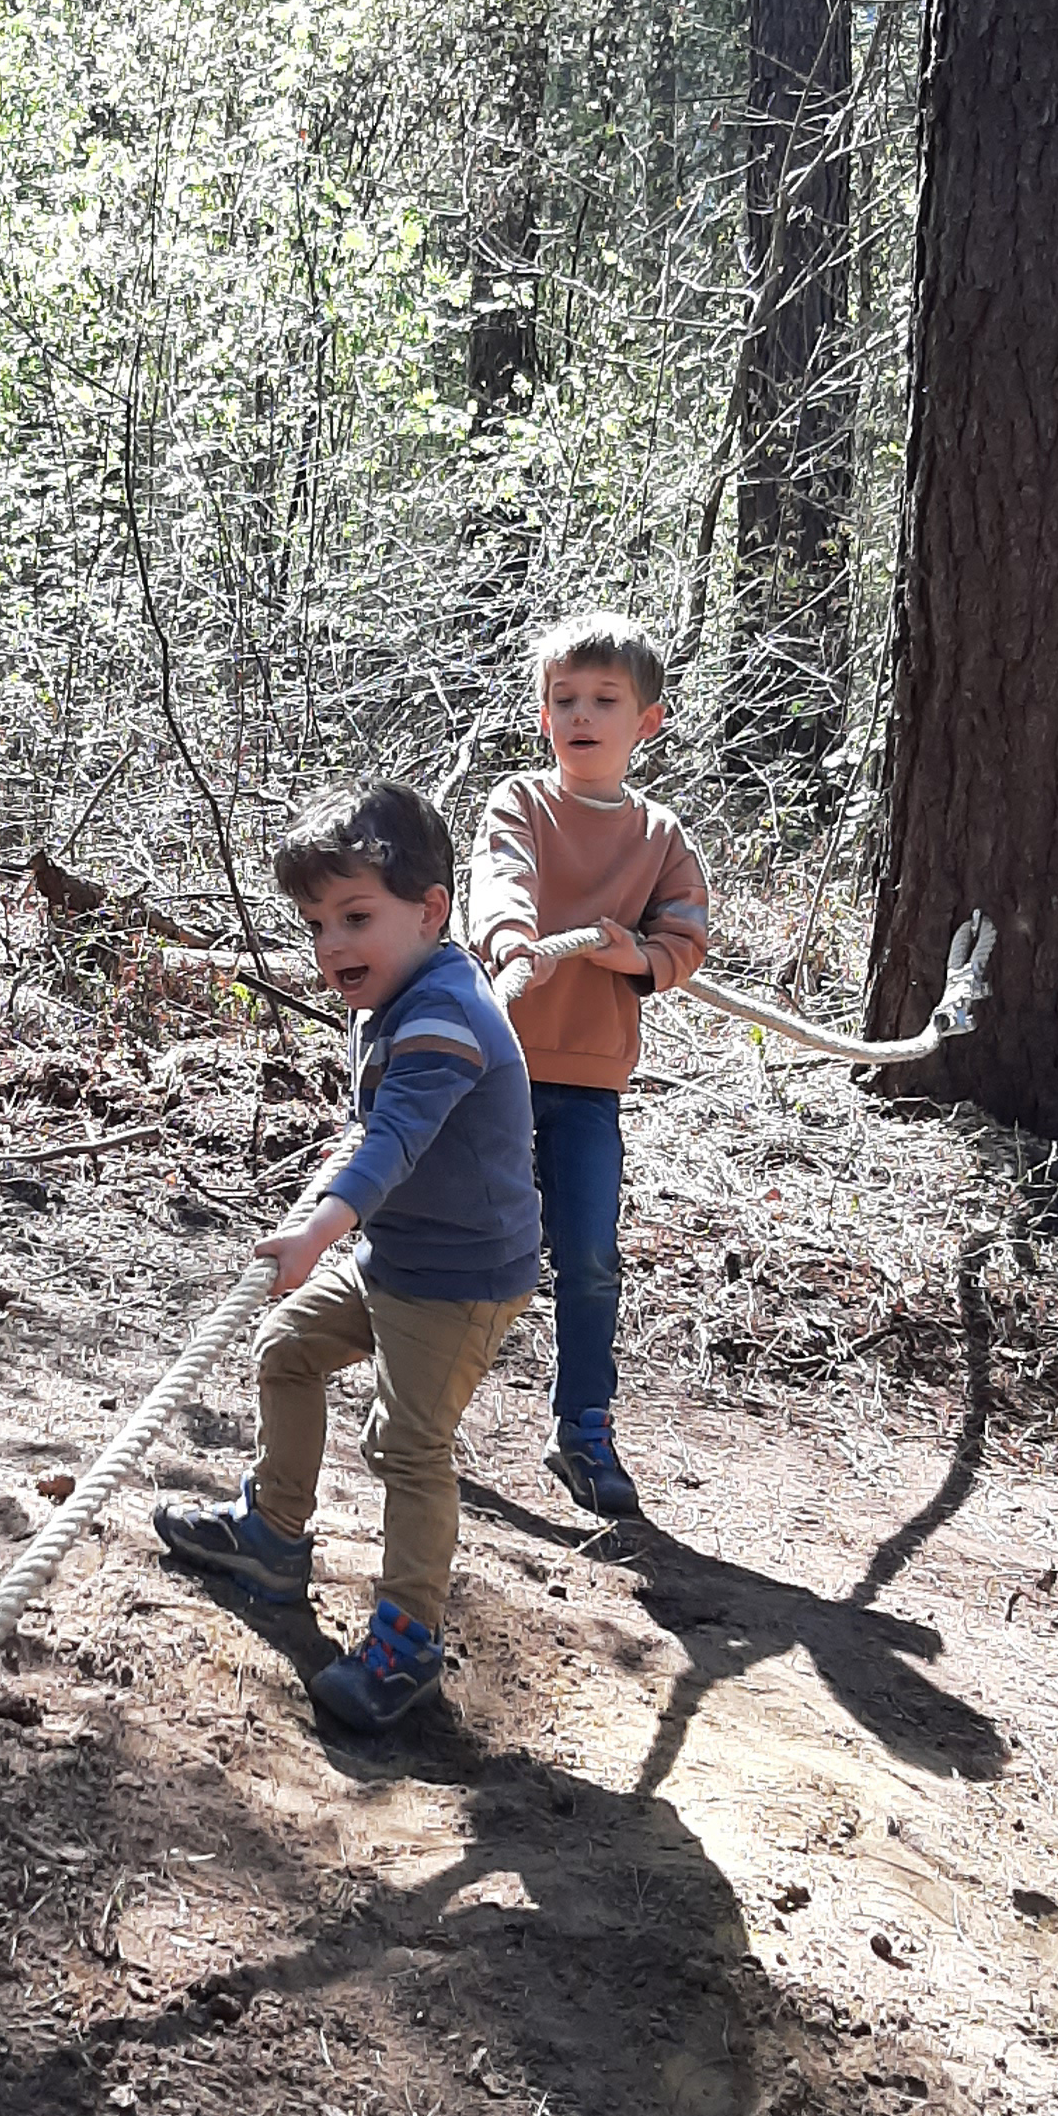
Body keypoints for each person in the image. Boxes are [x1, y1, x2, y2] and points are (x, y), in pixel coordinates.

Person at [154, 781, 539, 1739]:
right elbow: (377, 1128)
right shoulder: (396, 989)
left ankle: (406, 1643)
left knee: (405, 1447)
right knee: (286, 1348)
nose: (332, 947)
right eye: (316, 923)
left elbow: (396, 1142)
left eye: (356, 917)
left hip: (456, 1280)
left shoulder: (448, 1009)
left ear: (432, 911)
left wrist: (318, 1230)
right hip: (395, 1254)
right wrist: (341, 1198)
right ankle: (273, 1536)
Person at [466, 613, 710, 1521]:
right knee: (476, 1241)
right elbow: (503, 880)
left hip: (590, 1082)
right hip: (497, 1067)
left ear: (647, 721)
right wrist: (513, 940)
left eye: (605, 700)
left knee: (592, 1255)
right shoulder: (520, 802)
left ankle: (584, 1427)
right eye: (565, 699)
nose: (582, 715)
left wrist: (631, 957)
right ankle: (418, 1402)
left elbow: (685, 935)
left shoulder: (659, 834)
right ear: (542, 714)